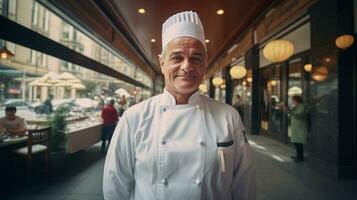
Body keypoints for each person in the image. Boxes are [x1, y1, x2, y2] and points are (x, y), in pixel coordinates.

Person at [103, 11, 255, 200]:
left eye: (196, 58)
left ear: (204, 63)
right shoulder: (134, 117)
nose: (187, 66)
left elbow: (244, 184)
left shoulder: (228, 116)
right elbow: (115, 185)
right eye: (177, 58)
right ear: (162, 62)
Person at [280, 95, 308, 162]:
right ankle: (298, 155)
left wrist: (287, 109)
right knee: (296, 142)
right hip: (296, 127)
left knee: (299, 142)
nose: (292, 101)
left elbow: (297, 114)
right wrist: (285, 109)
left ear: (296, 100)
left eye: (293, 100)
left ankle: (300, 157)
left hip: (300, 127)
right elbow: (290, 113)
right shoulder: (296, 106)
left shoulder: (302, 107)